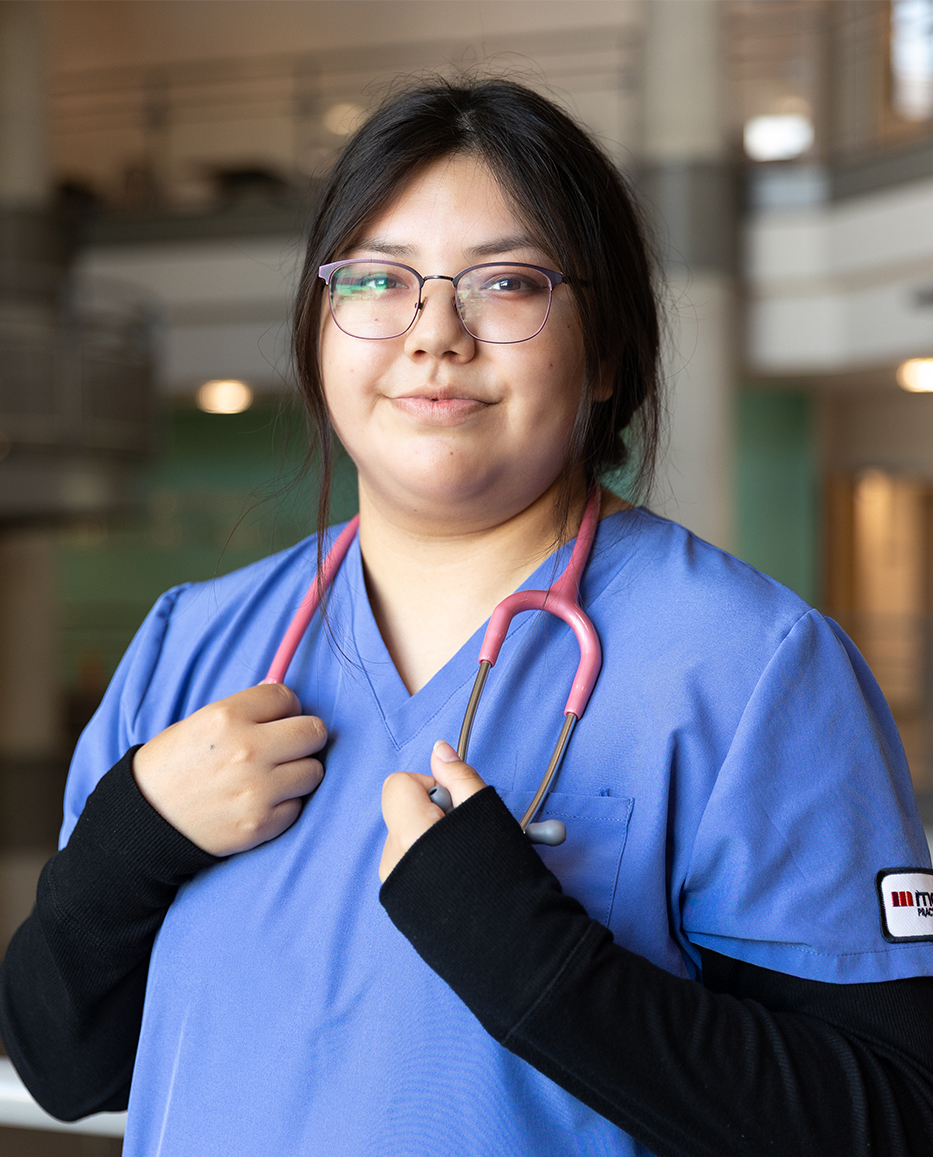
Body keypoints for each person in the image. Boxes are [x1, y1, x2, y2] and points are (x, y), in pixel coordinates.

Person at [2, 77, 933, 1157]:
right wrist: (128, 843)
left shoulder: (746, 666)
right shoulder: (190, 644)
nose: (434, 332)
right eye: (376, 280)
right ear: (318, 330)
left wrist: (542, 970)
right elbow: (64, 1066)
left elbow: (896, 1115)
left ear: (612, 354)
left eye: (507, 282)